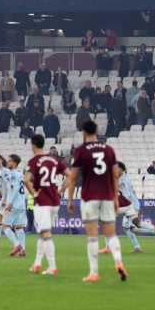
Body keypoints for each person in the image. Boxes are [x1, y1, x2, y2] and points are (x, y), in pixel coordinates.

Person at [62, 120, 127, 283]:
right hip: (107, 195)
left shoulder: (81, 151)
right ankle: (119, 262)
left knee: (92, 237)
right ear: (97, 132)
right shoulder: (108, 149)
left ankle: (94, 273)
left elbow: (73, 176)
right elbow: (115, 175)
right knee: (111, 234)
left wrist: (69, 198)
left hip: (89, 196)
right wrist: (116, 197)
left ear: (84, 133)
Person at [24, 134, 66, 275]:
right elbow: (70, 175)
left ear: (33, 145)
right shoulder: (54, 159)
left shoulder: (34, 161)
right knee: (43, 233)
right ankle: (37, 263)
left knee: (45, 234)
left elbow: (26, 180)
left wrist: (34, 194)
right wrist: (61, 190)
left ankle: (52, 267)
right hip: (55, 201)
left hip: (42, 202)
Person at [102, 164, 155, 255]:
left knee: (126, 226)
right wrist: (137, 205)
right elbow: (133, 192)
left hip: (128, 205)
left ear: (121, 170)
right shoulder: (126, 178)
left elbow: (127, 194)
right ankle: (145, 239)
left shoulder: (122, 180)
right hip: (132, 204)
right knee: (132, 227)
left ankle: (154, 230)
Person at [0, 154, 29, 257]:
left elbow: (15, 188)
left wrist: (10, 202)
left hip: (14, 204)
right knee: (19, 227)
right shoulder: (20, 174)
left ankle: (17, 245)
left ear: (15, 163)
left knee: (4, 226)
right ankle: (23, 249)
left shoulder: (12, 174)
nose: (8, 162)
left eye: (10, 161)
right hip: (21, 204)